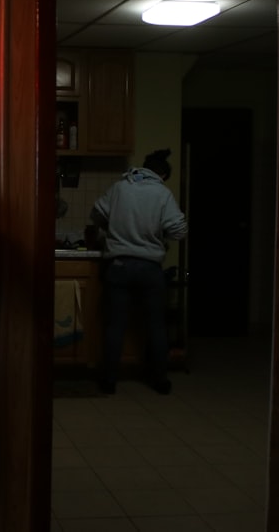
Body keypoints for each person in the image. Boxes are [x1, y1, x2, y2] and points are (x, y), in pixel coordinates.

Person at [89, 148, 187, 395]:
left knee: (115, 325)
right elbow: (179, 230)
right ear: (162, 174)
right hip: (149, 269)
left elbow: (96, 213)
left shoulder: (120, 188)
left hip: (119, 266)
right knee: (156, 325)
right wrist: (159, 235)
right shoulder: (163, 193)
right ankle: (160, 380)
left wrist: (112, 226)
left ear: (144, 168)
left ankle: (109, 381)